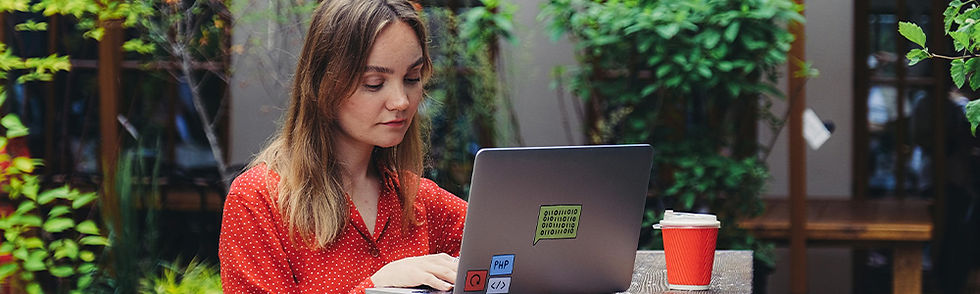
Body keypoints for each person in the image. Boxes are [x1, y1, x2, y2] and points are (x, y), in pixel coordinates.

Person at [218, 0, 467, 293]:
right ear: (323, 85)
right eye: (374, 83)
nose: (401, 101)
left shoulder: (420, 200)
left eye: (412, 78)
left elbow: (515, 247)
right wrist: (376, 287)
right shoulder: (261, 200)